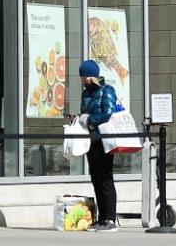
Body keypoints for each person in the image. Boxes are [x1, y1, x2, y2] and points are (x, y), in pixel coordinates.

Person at [78, 59, 118, 233]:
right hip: (91, 140)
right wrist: (79, 118)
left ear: (95, 75)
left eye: (88, 76)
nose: (85, 80)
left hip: (104, 139)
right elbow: (85, 112)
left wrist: (90, 119)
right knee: (95, 178)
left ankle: (110, 218)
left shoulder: (107, 90)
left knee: (105, 178)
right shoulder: (85, 94)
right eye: (83, 77)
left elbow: (107, 114)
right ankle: (101, 219)